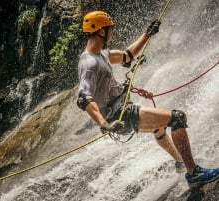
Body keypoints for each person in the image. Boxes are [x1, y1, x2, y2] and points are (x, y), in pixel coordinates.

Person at [76, 10, 219, 188]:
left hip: (121, 111)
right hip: (119, 116)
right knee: (177, 118)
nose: (112, 32)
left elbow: (128, 55)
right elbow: (84, 98)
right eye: (110, 29)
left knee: (159, 127)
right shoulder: (89, 63)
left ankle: (181, 162)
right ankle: (194, 173)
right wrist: (103, 124)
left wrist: (147, 34)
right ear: (101, 32)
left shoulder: (102, 54)